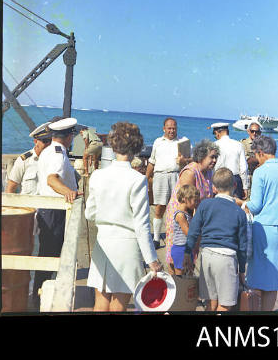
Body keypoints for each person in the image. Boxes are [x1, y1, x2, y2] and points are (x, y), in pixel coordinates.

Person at [85, 122, 163, 312]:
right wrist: (152, 260)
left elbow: (90, 213)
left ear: (113, 146)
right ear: (136, 148)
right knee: (119, 306)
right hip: (127, 246)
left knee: (100, 303)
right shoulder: (137, 179)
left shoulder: (97, 175)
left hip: (103, 243)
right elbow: (142, 224)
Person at [235, 135, 278, 311]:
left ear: (261, 153)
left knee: (256, 279)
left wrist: (240, 202)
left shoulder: (260, 172)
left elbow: (255, 206)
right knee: (272, 282)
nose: (256, 158)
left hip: (264, 230)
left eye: (256, 155)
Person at [32, 117, 82, 303]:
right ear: (69, 136)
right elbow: (52, 179)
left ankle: (39, 295)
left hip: (48, 211)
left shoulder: (48, 151)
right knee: (51, 256)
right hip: (54, 212)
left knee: (46, 254)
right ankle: (41, 299)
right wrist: (69, 192)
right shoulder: (58, 155)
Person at [183, 168, 248, 311]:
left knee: (209, 301)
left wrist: (188, 252)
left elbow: (193, 231)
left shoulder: (205, 205)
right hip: (226, 258)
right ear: (235, 186)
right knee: (225, 305)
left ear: (214, 187)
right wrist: (242, 270)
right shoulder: (240, 213)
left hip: (206, 256)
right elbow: (243, 246)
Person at [164, 139, 218, 274]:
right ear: (201, 156)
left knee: (190, 258)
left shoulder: (209, 172)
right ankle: (176, 286)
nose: (215, 160)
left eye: (216, 157)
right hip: (182, 215)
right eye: (212, 157)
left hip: (197, 216)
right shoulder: (190, 172)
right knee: (178, 255)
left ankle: (186, 286)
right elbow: (188, 200)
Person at [146, 118, 190, 248]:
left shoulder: (183, 141)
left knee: (179, 207)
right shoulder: (158, 142)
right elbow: (152, 161)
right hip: (160, 176)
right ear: (164, 128)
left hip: (177, 176)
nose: (172, 130)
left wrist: (184, 160)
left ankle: (176, 236)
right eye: (169, 128)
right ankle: (156, 238)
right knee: (159, 207)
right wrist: (145, 178)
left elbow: (191, 160)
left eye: (174, 128)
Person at [4, 122, 52, 194]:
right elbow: (11, 187)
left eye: (51, 141)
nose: (48, 144)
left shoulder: (54, 160)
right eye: (45, 141)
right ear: (35, 141)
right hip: (27, 203)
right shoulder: (24, 160)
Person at [210, 122, 248, 199]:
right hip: (234, 180)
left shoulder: (213, 145)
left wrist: (212, 184)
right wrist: (245, 187)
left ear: (217, 133)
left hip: (218, 179)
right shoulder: (238, 145)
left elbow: (211, 167)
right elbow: (243, 168)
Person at [170, 184, 201, 276]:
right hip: (180, 249)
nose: (196, 203)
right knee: (180, 275)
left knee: (189, 273)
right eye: (194, 200)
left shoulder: (187, 213)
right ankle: (180, 290)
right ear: (184, 199)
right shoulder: (180, 215)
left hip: (186, 248)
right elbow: (188, 233)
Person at [240, 120, 262, 198]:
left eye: (257, 131)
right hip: (248, 177)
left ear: (260, 133)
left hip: (259, 177)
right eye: (252, 131)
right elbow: (247, 161)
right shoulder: (243, 144)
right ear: (248, 131)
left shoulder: (262, 145)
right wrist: (260, 160)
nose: (254, 133)